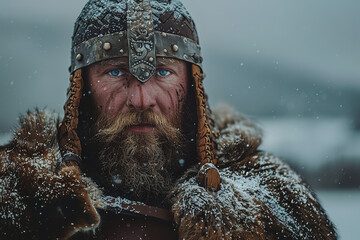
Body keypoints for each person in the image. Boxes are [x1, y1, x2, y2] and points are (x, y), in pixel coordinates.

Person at [0, 0, 337, 239]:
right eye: (115, 71)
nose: (142, 99)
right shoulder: (19, 197)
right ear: (81, 90)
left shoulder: (271, 199)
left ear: (191, 87)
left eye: (162, 72)